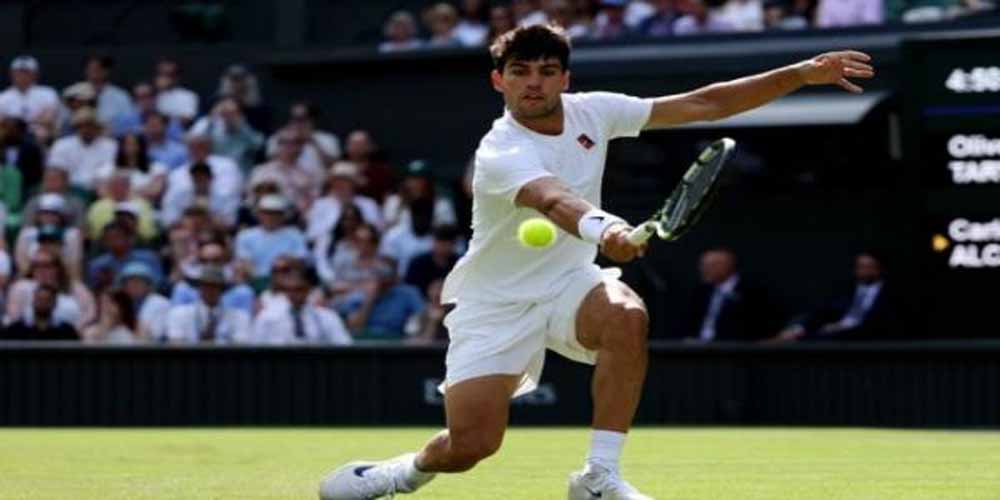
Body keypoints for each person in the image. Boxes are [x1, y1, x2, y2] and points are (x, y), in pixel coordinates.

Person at [319, 24, 874, 500]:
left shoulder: (596, 112)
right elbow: (552, 199)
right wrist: (606, 229)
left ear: (565, 78)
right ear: (498, 81)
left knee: (626, 317)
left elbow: (704, 103)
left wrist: (801, 73)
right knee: (470, 447)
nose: (533, 82)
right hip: (495, 303)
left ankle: (598, 477)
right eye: (519, 71)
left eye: (546, 71)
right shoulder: (499, 150)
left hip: (569, 280)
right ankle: (399, 474)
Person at [771, 251, 896, 341]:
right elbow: (824, 310)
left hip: (861, 335)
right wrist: (800, 328)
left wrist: (844, 327)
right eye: (860, 267)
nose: (863, 271)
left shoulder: (890, 293)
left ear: (879, 269)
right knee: (796, 324)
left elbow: (884, 322)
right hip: (831, 329)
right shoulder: (846, 289)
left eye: (868, 267)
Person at [682, 247, 776, 342]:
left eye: (712, 265)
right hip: (697, 347)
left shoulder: (753, 292)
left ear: (728, 266)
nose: (705, 269)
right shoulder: (700, 292)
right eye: (703, 265)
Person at [251, 271, 353, 345]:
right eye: (289, 290)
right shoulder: (267, 317)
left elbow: (344, 345)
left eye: (298, 289)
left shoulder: (327, 317)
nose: (293, 294)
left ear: (308, 290)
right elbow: (255, 348)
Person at [164, 265, 252, 343]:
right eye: (205, 285)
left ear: (222, 288)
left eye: (214, 286)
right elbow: (176, 345)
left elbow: (240, 347)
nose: (209, 290)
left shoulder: (239, 317)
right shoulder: (179, 314)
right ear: (199, 287)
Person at [1, 284, 78, 341]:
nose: (42, 303)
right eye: (39, 299)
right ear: (33, 301)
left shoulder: (66, 331)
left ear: (54, 303)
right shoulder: (16, 330)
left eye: (47, 300)